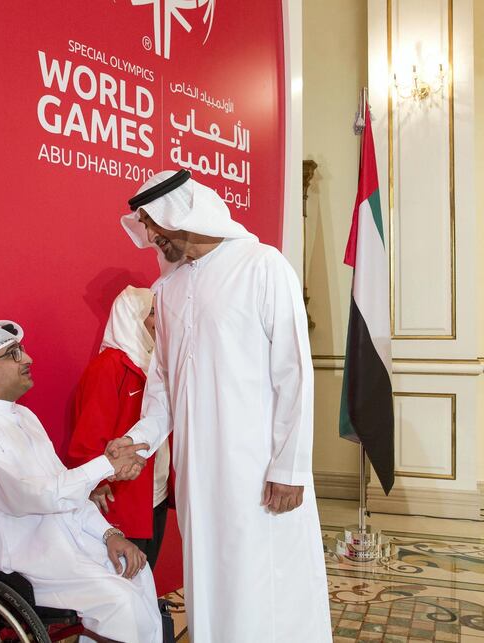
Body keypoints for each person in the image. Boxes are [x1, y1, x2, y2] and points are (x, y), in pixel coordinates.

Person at [110, 170, 332, 642]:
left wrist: (290, 467)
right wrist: (140, 440)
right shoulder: (167, 290)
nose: (148, 237)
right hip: (198, 475)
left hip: (259, 470)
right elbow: (163, 384)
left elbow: (293, 373)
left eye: (153, 223)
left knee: (266, 584)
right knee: (211, 582)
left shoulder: (262, 266)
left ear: (184, 212)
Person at [0, 320, 164, 643]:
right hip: (14, 550)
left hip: (55, 539)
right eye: (14, 354)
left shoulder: (23, 417)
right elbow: (29, 495)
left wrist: (109, 534)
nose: (28, 359)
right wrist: (106, 465)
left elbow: (62, 488)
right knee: (121, 604)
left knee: (138, 573)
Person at [68, 285, 173, 569]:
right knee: (126, 579)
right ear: (131, 317)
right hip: (123, 497)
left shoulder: (158, 364)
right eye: (152, 313)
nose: (160, 320)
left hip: (156, 493)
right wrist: (97, 483)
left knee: (147, 575)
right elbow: (88, 436)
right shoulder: (109, 367)